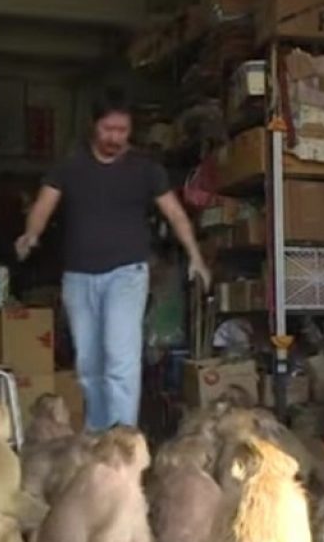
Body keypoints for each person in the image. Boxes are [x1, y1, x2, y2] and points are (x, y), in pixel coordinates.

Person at [16, 87, 210, 431]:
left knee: (120, 360)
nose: (115, 138)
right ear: (94, 126)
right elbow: (43, 206)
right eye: (108, 130)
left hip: (127, 275)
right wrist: (31, 234)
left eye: (122, 130)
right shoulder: (71, 166)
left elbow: (176, 215)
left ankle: (122, 441)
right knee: (89, 365)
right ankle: (97, 437)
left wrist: (195, 255)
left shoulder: (145, 169)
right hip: (78, 279)